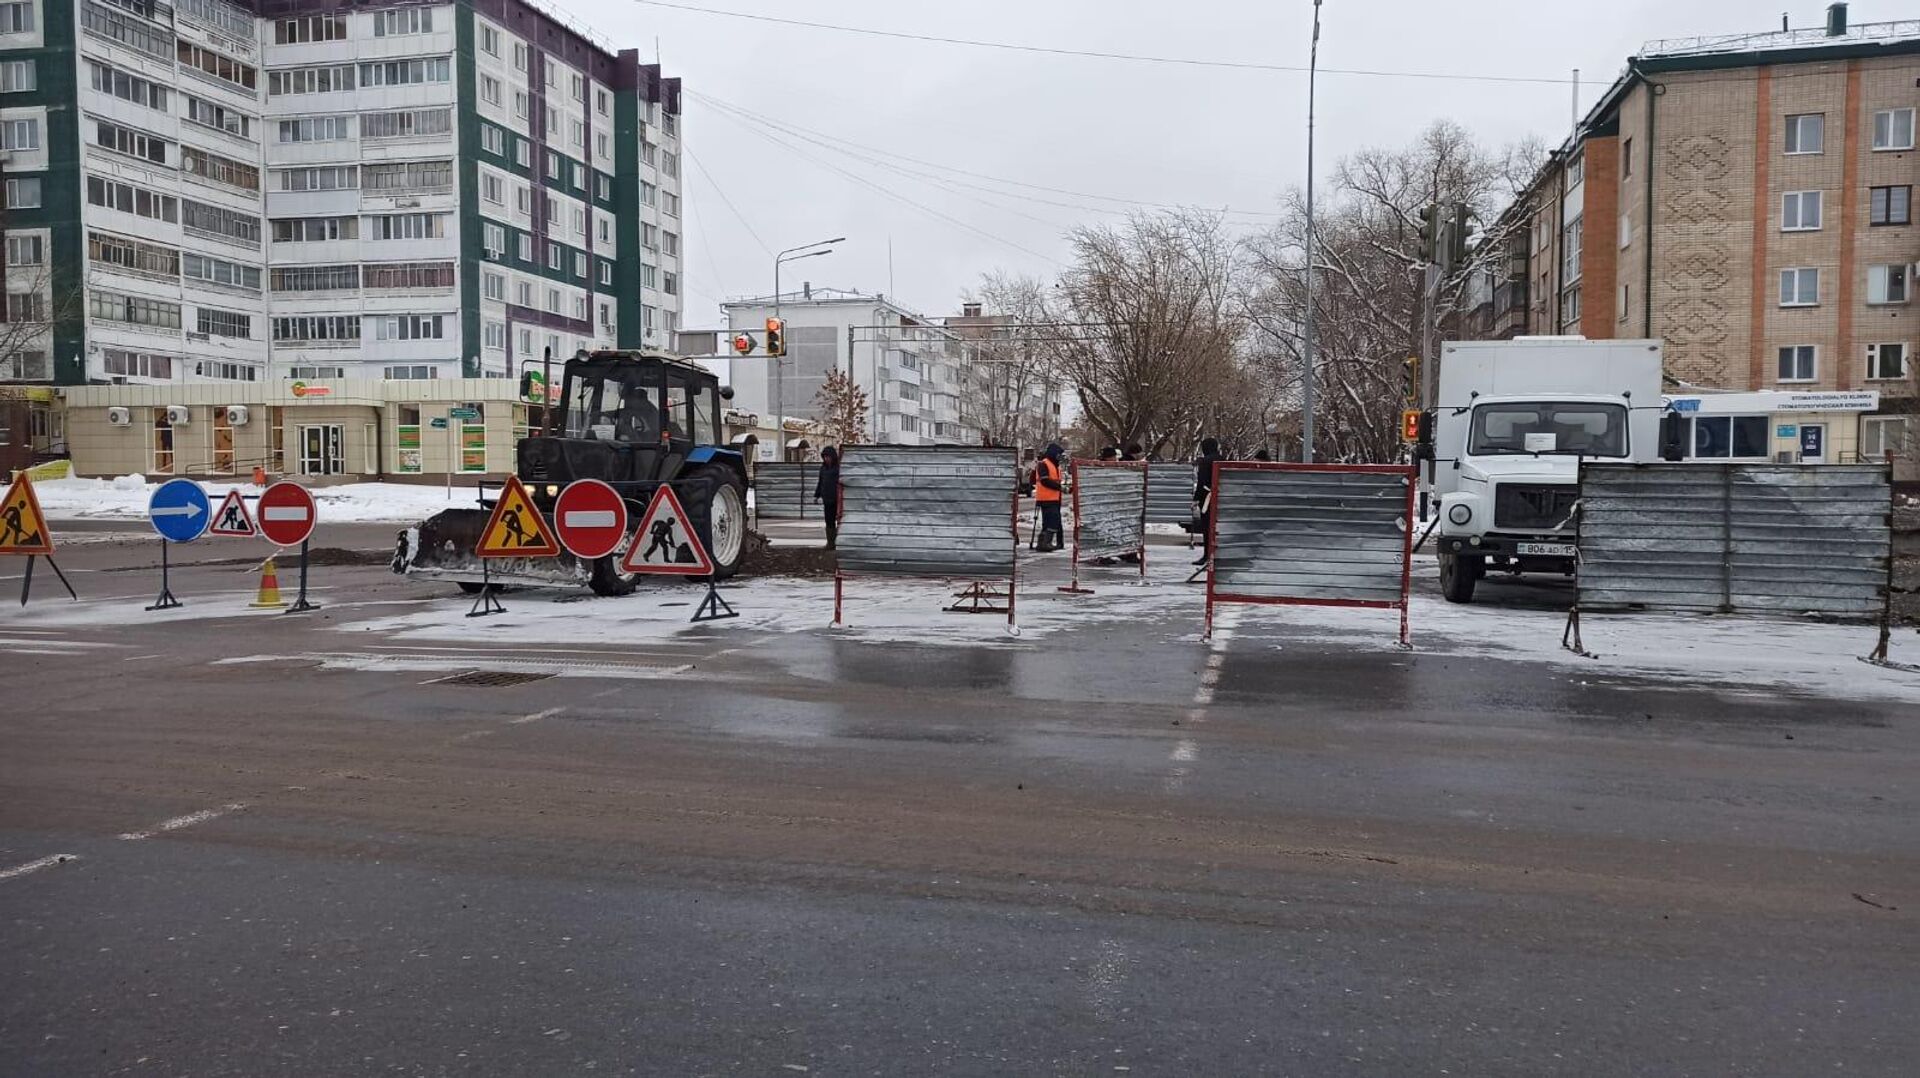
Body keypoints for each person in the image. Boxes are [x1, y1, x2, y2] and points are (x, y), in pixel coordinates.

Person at [1192, 437, 1225, 565]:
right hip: (1222, 498)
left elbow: (1201, 482)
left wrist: (1195, 499)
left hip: (1207, 498)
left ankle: (1207, 555)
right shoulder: (1223, 459)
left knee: (1207, 527)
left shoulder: (1205, 462)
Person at [1034, 442, 1066, 553]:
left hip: (1054, 498)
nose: (1059, 457)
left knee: (1051, 522)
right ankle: (1045, 542)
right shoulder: (1044, 464)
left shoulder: (1055, 465)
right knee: (1052, 521)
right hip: (1046, 498)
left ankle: (1047, 542)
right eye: (1058, 454)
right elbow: (1045, 480)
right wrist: (1060, 487)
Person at [814, 445, 841, 550]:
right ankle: (830, 542)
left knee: (839, 521)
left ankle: (838, 542)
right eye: (825, 457)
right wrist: (817, 495)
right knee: (829, 522)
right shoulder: (823, 468)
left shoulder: (838, 468)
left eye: (828, 457)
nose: (826, 459)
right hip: (827, 499)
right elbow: (820, 482)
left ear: (833, 457)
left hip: (837, 499)